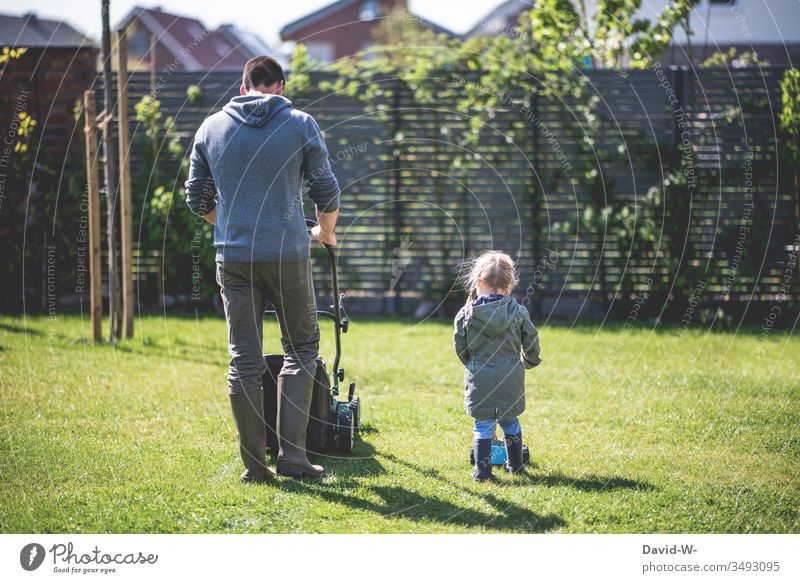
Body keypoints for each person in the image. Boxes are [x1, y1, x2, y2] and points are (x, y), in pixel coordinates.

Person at [185, 55, 340, 483]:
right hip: (288, 255)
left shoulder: (210, 127)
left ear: (243, 87)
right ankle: (293, 457)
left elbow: (196, 197)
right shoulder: (300, 123)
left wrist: (232, 223)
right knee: (301, 350)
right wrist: (324, 232)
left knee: (244, 362)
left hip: (233, 259)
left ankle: (255, 467)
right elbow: (326, 189)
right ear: (281, 86)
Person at [453, 251, 541, 482]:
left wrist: (473, 364)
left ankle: (483, 473)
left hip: (479, 376)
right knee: (511, 421)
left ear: (478, 282)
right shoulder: (518, 312)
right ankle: (516, 467)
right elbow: (531, 339)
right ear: (508, 283)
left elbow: (460, 347)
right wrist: (529, 361)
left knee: (483, 426)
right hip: (511, 376)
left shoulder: (466, 314)